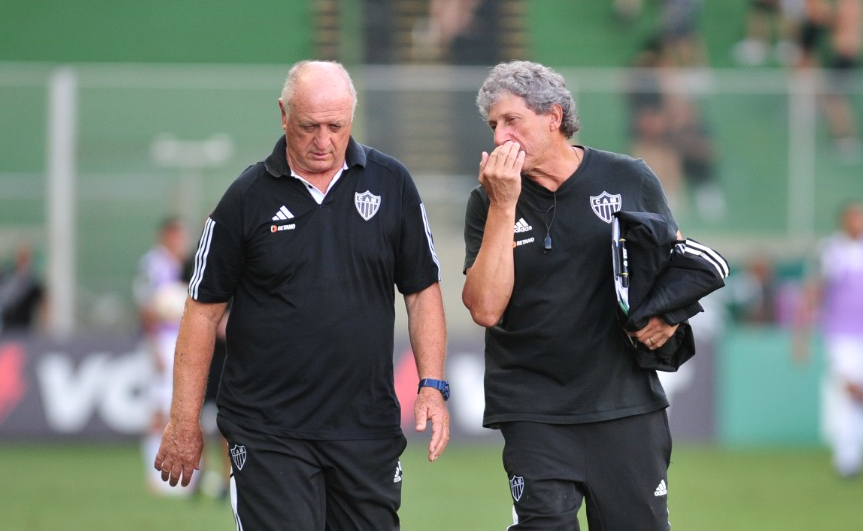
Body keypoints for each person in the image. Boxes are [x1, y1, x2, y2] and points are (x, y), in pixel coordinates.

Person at [154, 60, 449, 530]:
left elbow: (422, 293)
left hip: (364, 430)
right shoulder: (246, 198)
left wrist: (432, 383)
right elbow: (201, 313)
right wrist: (184, 421)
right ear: (283, 115)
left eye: (336, 126)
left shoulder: (391, 185)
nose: (324, 140)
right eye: (310, 126)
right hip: (269, 433)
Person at [463, 60, 687, 530]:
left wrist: (670, 317)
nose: (500, 137)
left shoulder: (630, 178)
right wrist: (504, 206)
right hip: (533, 408)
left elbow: (677, 267)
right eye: (494, 125)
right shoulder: (488, 198)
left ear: (553, 117)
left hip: (624, 403)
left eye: (512, 121)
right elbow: (484, 308)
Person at [794, 201, 863, 477]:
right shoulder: (831, 251)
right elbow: (812, 291)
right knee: (850, 390)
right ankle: (846, 458)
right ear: (844, 221)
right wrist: (802, 335)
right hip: (841, 334)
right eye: (854, 217)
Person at [133, 217, 191, 495]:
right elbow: (145, 308)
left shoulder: (183, 265)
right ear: (167, 235)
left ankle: (176, 475)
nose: (182, 241)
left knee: (178, 406)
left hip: (182, 342)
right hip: (163, 342)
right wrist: (154, 345)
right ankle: (155, 475)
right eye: (178, 235)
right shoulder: (152, 264)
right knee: (160, 407)